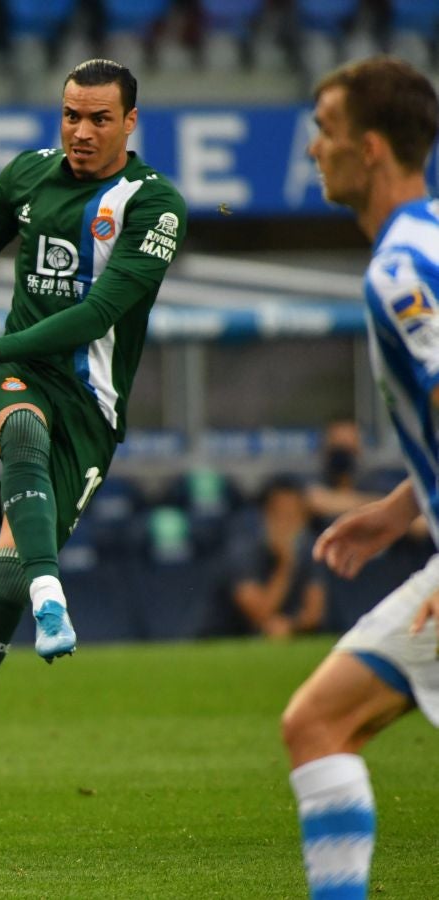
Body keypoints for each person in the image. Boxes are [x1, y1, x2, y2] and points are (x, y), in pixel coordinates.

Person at [0, 58, 187, 821]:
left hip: (88, 408)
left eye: (98, 119)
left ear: (130, 124)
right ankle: (55, 588)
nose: (81, 132)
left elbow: (97, 315)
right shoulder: (27, 175)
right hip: (15, 381)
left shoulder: (156, 207)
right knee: (20, 424)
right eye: (70, 116)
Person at [279, 57, 439, 900]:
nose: (314, 149)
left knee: (318, 722)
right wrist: (399, 508)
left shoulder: (401, 269)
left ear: (370, 149)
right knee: (316, 722)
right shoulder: (431, 241)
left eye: (328, 131)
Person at [206, 476, 327, 639]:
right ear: (265, 516)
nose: (288, 525)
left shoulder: (310, 549)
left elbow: (314, 614)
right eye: (281, 515)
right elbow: (260, 614)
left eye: (295, 515)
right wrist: (286, 564)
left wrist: (290, 625)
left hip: (285, 637)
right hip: (229, 640)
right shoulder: (242, 551)